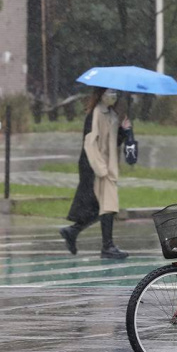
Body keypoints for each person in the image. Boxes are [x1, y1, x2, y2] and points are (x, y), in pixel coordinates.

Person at [59, 88, 131, 259]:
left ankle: (73, 231)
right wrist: (100, 169)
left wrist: (124, 130)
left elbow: (112, 141)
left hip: (107, 167)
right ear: (101, 94)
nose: (113, 96)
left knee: (105, 206)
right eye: (109, 92)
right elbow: (90, 143)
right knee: (107, 205)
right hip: (96, 167)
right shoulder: (96, 114)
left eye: (115, 93)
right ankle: (107, 246)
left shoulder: (111, 115)